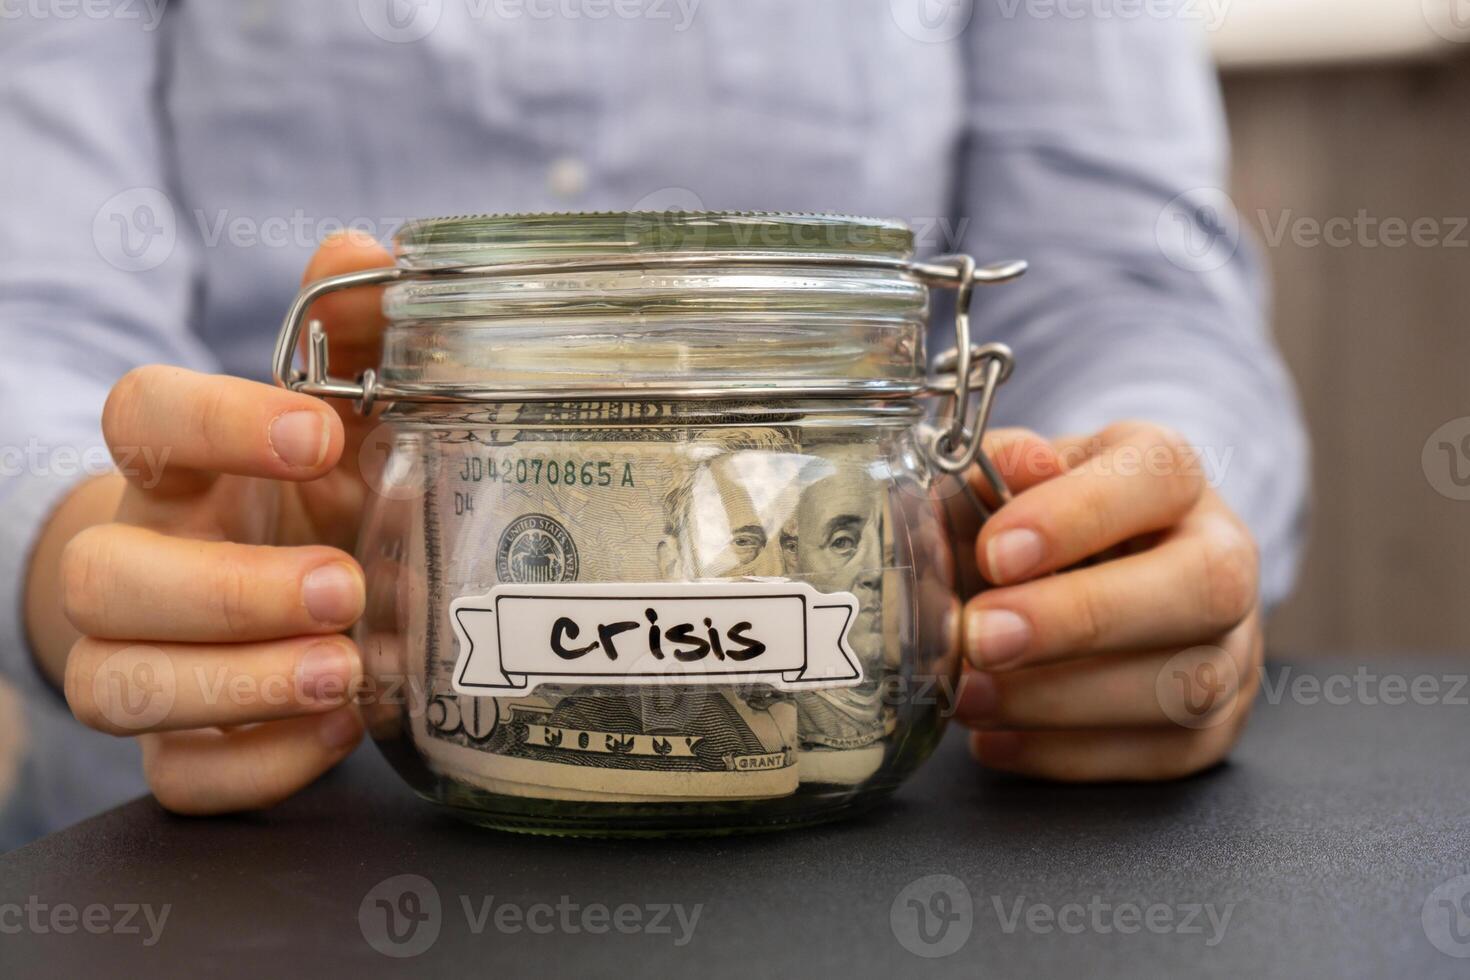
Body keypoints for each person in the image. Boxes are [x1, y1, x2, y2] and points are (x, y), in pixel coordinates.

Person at [0, 1, 1307, 846]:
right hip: (221, 810)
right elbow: (34, 302)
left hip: (939, 798)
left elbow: (1125, 274)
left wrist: (1128, 508)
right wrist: (104, 553)